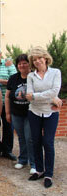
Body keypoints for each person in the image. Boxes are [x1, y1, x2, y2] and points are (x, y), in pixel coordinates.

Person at [26, 47, 62, 188]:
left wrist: (36, 96)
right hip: (34, 112)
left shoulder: (55, 73)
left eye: (39, 58)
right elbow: (29, 97)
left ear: (45, 58)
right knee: (36, 141)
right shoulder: (31, 76)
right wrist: (51, 98)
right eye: (34, 59)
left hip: (51, 113)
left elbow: (54, 91)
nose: (37, 61)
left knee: (48, 142)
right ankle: (39, 170)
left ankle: (49, 174)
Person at [5, 54, 36, 174]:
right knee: (22, 137)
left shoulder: (34, 77)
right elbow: (7, 96)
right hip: (16, 113)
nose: (22, 65)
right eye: (19, 63)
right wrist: (7, 113)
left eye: (25, 63)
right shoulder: (13, 78)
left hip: (31, 113)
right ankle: (22, 160)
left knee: (30, 138)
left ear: (29, 64)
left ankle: (34, 163)